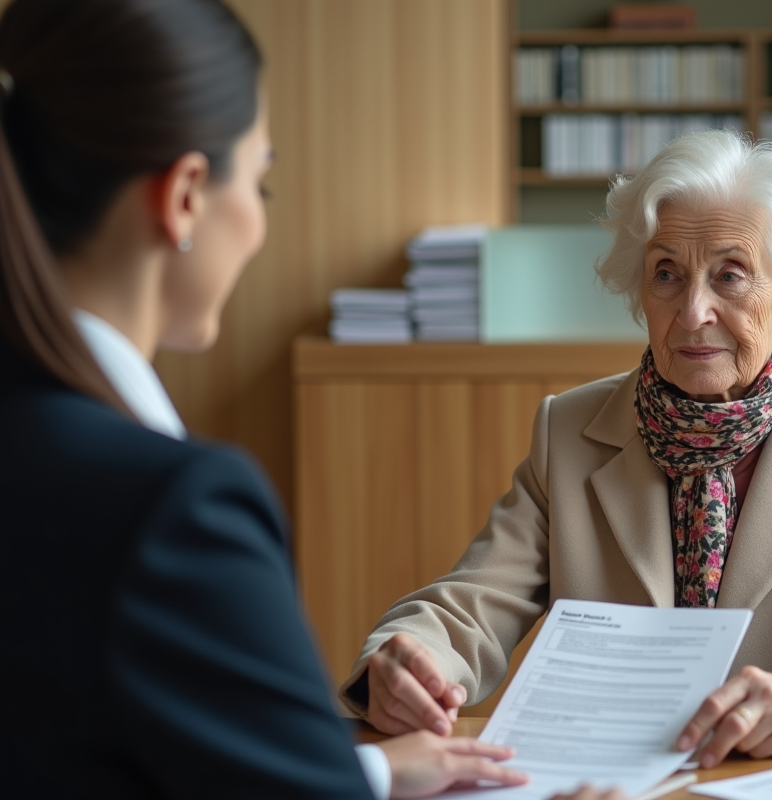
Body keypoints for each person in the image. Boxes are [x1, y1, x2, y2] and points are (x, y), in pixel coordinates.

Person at [0, 1, 557, 798]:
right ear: (186, 195)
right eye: (260, 180)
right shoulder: (170, 510)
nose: (258, 221)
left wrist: (353, 770)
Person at [341, 129, 772, 768]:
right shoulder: (570, 432)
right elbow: (469, 607)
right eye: (667, 275)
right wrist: (403, 660)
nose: (692, 311)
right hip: (616, 781)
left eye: (731, 276)